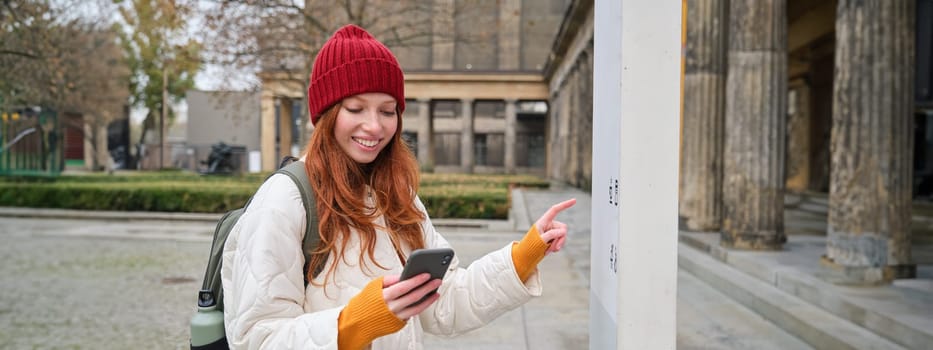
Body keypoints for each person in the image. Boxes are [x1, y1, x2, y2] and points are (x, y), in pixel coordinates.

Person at [221, 24, 577, 350]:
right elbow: (256, 337)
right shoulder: (285, 199)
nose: (374, 126)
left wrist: (523, 256)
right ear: (326, 114)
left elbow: (445, 304)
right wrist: (351, 326)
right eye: (356, 108)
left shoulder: (396, 196)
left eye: (388, 111)